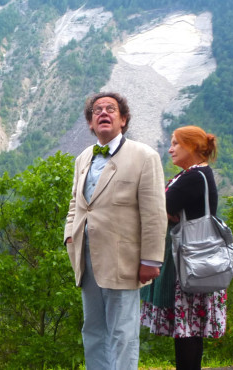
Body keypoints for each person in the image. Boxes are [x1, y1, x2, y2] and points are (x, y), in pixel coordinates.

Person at [64, 92, 167, 370]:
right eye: (97, 110)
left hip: (124, 259)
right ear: (90, 123)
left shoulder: (144, 156)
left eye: (111, 109)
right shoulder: (84, 157)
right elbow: (77, 202)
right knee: (93, 329)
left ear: (123, 119)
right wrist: (69, 235)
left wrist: (151, 260)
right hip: (86, 257)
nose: (103, 113)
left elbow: (155, 212)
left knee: (122, 331)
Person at [140, 126, 226, 370]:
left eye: (176, 143)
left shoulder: (193, 177)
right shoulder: (196, 174)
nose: (170, 149)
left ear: (192, 146)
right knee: (189, 327)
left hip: (189, 261)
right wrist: (166, 210)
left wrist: (164, 210)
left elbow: (156, 206)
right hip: (196, 259)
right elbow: (164, 206)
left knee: (187, 328)